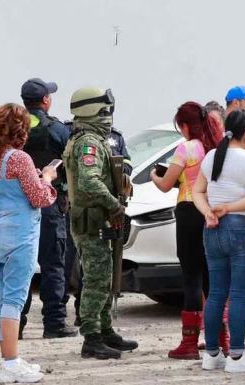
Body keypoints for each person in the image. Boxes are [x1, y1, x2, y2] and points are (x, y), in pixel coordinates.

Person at [0, 103, 59, 383]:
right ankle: (11, 363)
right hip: (20, 234)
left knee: (5, 298)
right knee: (15, 298)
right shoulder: (19, 158)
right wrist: (47, 179)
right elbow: (39, 198)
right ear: (21, 130)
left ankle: (9, 358)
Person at [64, 87, 138, 359]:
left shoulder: (91, 138)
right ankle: (92, 338)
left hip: (96, 220)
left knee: (105, 277)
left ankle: (105, 331)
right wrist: (114, 204)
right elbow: (89, 181)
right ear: (91, 111)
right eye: (105, 111)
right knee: (96, 280)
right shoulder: (89, 143)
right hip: (90, 221)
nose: (109, 117)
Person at [193, 109, 245, 373]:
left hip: (213, 229)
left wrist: (210, 211)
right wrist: (228, 208)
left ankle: (212, 354)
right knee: (239, 294)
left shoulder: (212, 156)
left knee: (216, 293)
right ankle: (236, 356)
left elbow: (197, 191)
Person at [151, 101, 223, 359]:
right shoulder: (217, 146)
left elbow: (166, 183)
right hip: (214, 211)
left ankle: (189, 343)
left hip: (189, 211)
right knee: (213, 277)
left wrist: (154, 175)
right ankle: (221, 339)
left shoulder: (187, 148)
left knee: (191, 276)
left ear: (184, 125)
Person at [18, 78, 77, 340]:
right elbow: (72, 164)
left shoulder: (13, 128)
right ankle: (54, 324)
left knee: (20, 266)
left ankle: (15, 324)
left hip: (19, 206)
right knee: (53, 265)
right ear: (45, 100)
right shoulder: (57, 129)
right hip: (50, 204)